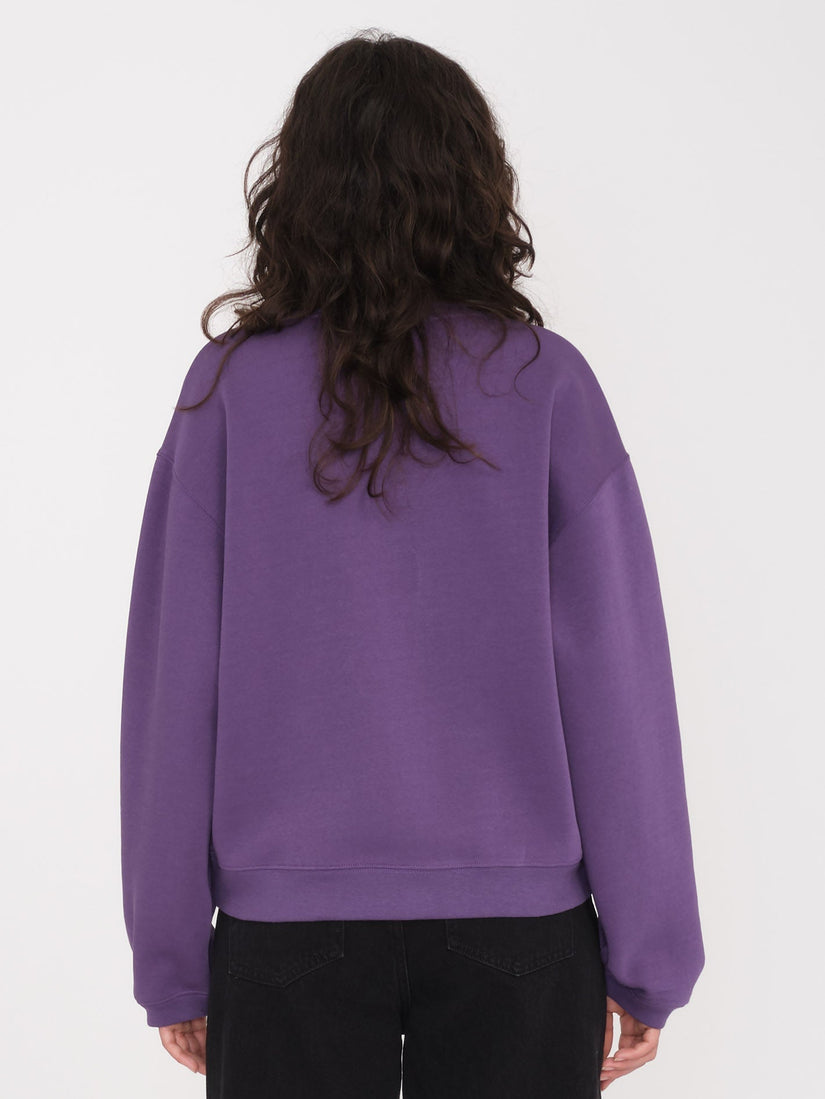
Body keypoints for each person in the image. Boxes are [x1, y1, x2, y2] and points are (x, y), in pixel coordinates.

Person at [119, 28, 705, 1098]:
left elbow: (173, 688)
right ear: (472, 185)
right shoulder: (547, 385)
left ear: (299, 191)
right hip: (520, 934)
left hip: (284, 935)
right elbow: (617, 682)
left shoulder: (229, 394)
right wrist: (651, 954)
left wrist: (170, 955)